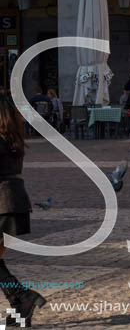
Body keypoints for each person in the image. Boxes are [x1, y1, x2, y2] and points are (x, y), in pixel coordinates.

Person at [0, 94, 46, 324]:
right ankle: (21, 307)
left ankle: (22, 298)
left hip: (4, 204)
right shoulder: (11, 139)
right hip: (12, 202)